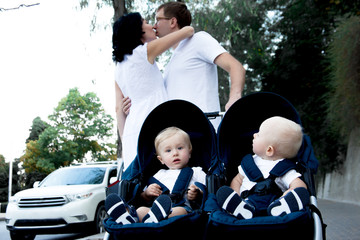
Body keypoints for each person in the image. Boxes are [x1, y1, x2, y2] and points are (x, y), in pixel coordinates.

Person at [122, 2, 246, 129]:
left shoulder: (199, 40)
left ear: (172, 22)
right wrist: (133, 105)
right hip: (179, 138)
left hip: (203, 131)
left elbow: (235, 67)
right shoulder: (170, 64)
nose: (154, 26)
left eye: (158, 20)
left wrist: (234, 98)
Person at [113, 12, 194, 169]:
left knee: (138, 182)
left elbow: (118, 109)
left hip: (131, 130)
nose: (152, 26)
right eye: (146, 22)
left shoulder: (118, 68)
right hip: (154, 123)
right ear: (138, 30)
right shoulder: (144, 51)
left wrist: (125, 141)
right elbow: (188, 31)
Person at [105, 127, 206, 224]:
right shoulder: (159, 175)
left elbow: (206, 191)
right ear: (161, 159)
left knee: (181, 211)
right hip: (155, 209)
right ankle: (128, 217)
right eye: (168, 151)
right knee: (141, 210)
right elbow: (144, 197)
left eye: (180, 148)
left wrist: (197, 193)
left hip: (182, 208)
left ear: (189, 153)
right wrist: (147, 193)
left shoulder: (197, 172)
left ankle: (153, 218)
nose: (175, 153)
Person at [216, 116, 310, 219]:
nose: (254, 135)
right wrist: (236, 194)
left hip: (274, 204)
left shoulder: (284, 168)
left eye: (259, 135)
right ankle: (240, 207)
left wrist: (289, 192)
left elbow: (299, 184)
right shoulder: (248, 164)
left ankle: (283, 207)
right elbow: (237, 180)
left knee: (293, 195)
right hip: (247, 203)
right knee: (227, 192)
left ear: (269, 150)